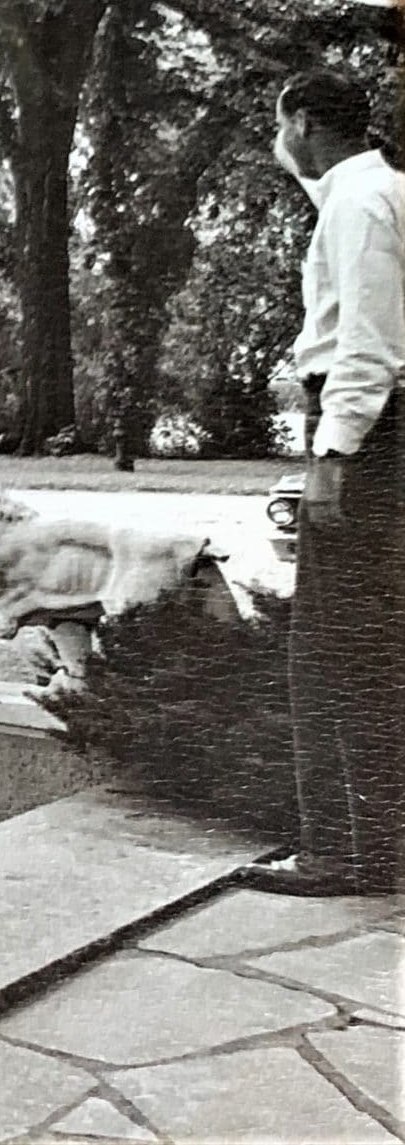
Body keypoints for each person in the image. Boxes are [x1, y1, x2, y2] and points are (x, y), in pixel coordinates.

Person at [236, 68, 405, 897]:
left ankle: (336, 852)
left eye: (282, 126)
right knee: (372, 646)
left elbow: (366, 346)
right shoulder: (388, 193)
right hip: (383, 436)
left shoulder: (357, 202)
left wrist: (331, 460)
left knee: (327, 649)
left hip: (368, 441)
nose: (281, 144)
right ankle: (379, 847)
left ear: (302, 121)